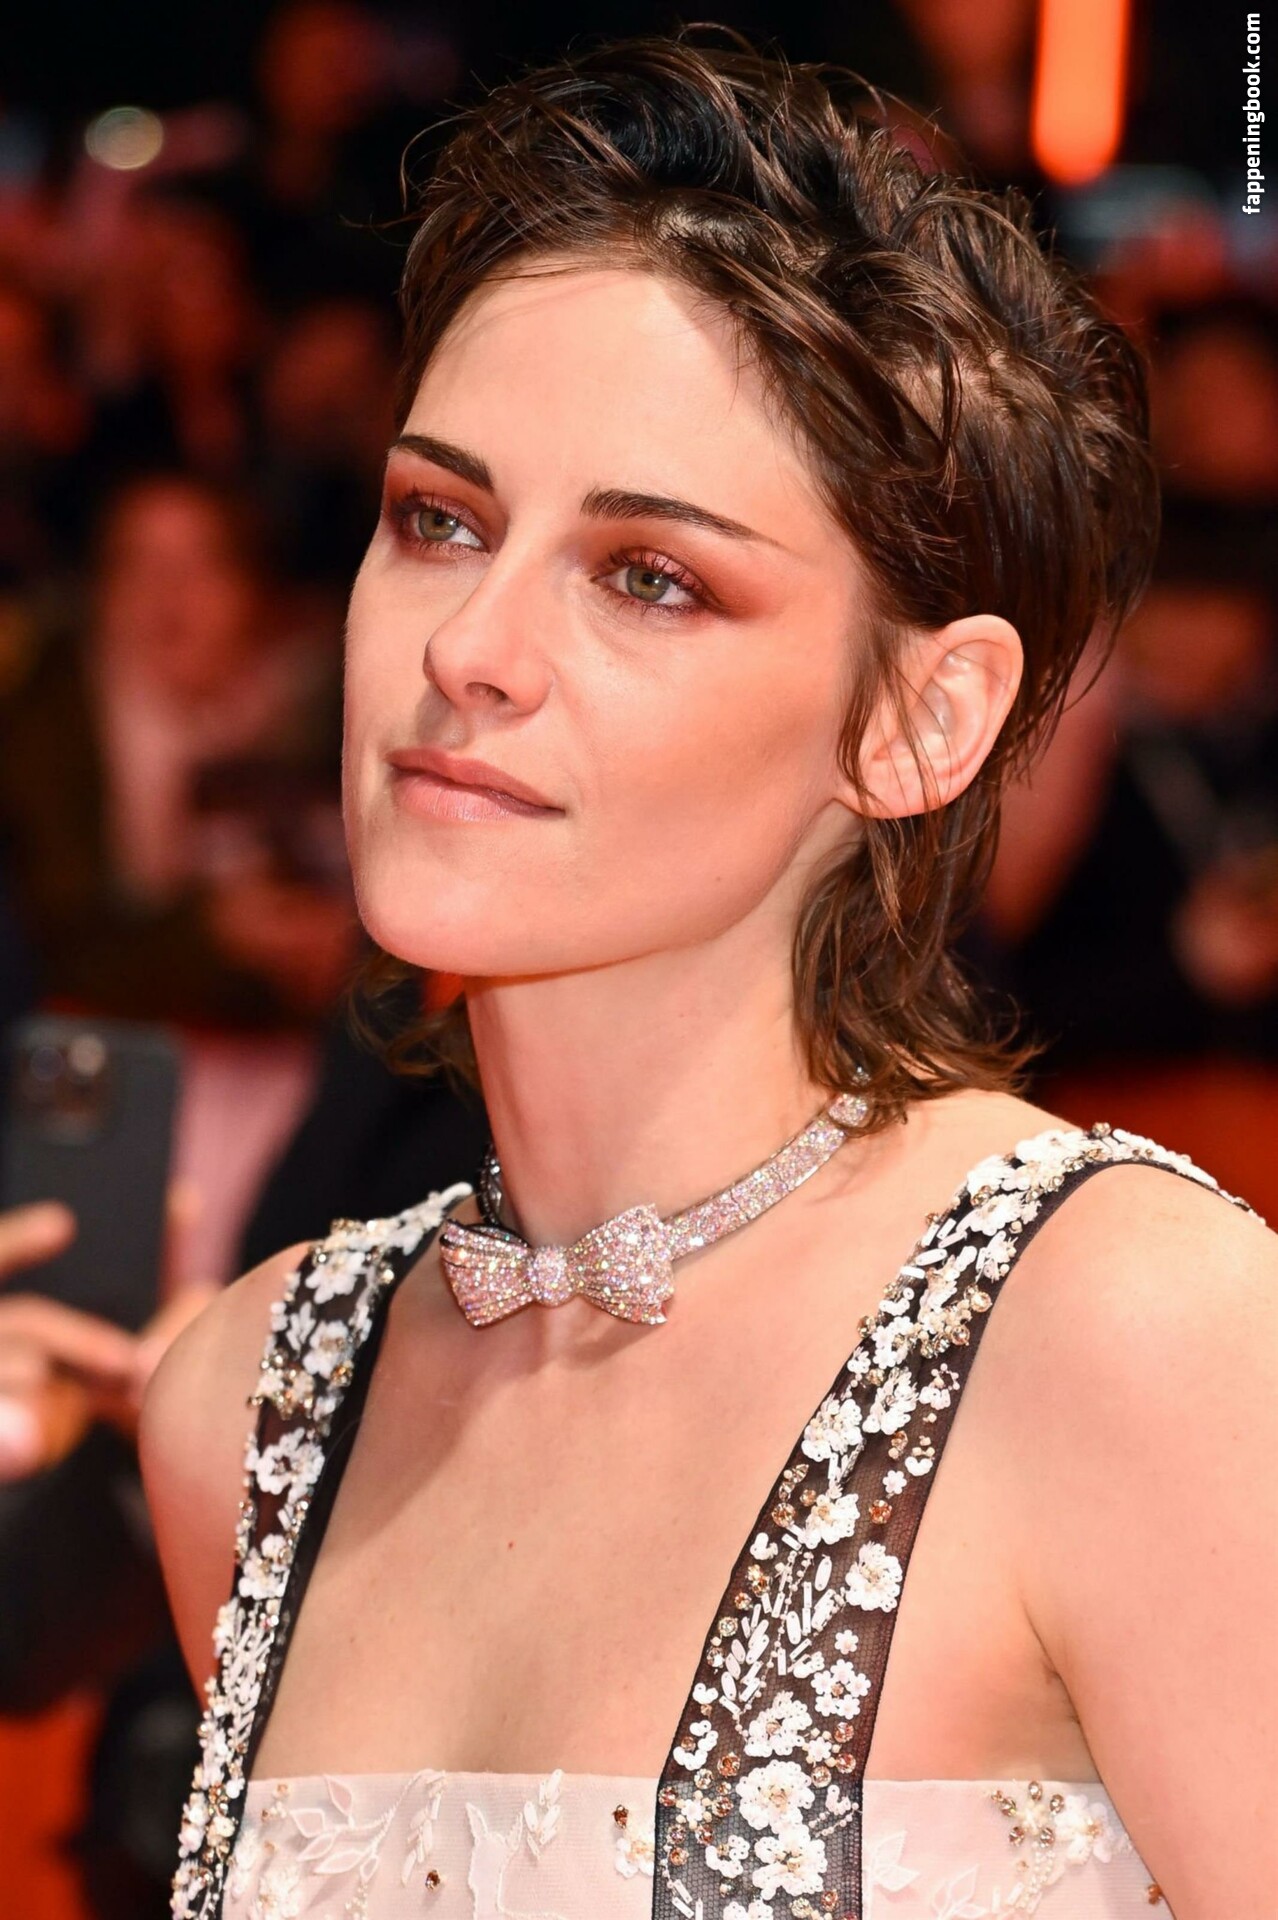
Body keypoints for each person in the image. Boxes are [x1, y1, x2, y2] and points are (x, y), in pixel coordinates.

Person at [139, 34, 1277, 1920]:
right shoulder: (249, 1402)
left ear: (919, 719)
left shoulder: (1129, 1334)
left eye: (649, 575)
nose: (470, 646)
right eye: (438, 520)